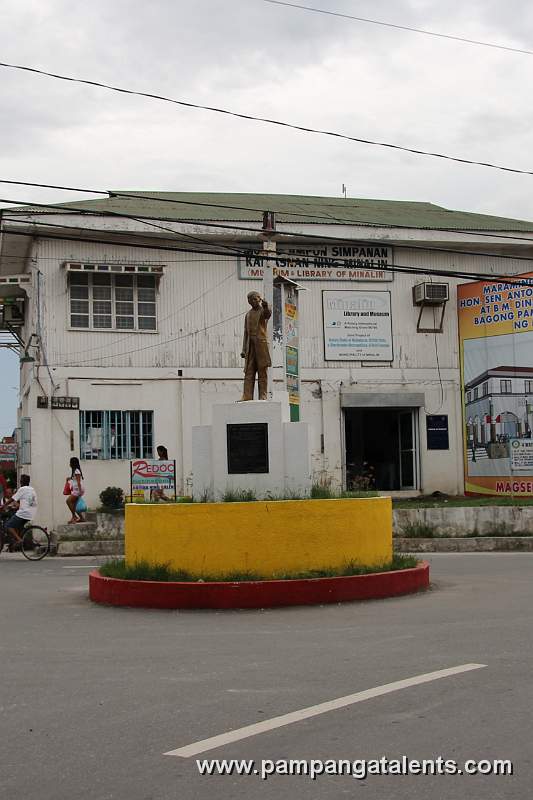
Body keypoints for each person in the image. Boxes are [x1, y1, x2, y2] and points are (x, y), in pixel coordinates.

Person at [240, 291, 272, 401]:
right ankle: (247, 395)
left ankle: (263, 395)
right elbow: (246, 333)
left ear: (259, 299)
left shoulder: (263, 311)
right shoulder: (248, 315)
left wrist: (266, 306)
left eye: (254, 299)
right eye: (249, 299)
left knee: (262, 370)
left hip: (261, 345)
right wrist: (244, 349)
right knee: (249, 372)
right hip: (250, 346)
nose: (251, 301)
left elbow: (267, 314)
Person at [6, 474, 37, 546]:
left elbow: (12, 499)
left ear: (22, 482)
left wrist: (4, 505)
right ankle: (18, 542)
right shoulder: (32, 489)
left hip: (24, 513)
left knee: (8, 526)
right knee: (17, 527)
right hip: (31, 513)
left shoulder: (22, 489)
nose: (20, 482)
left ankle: (19, 540)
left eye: (20, 481)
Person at [66, 457, 85, 523]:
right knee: (74, 505)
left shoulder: (76, 471)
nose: (69, 464)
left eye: (70, 462)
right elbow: (75, 479)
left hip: (77, 490)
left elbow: (78, 482)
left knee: (68, 501)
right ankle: (81, 518)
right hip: (76, 489)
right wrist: (69, 478)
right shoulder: (75, 471)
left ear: (72, 463)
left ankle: (74, 516)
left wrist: (79, 492)